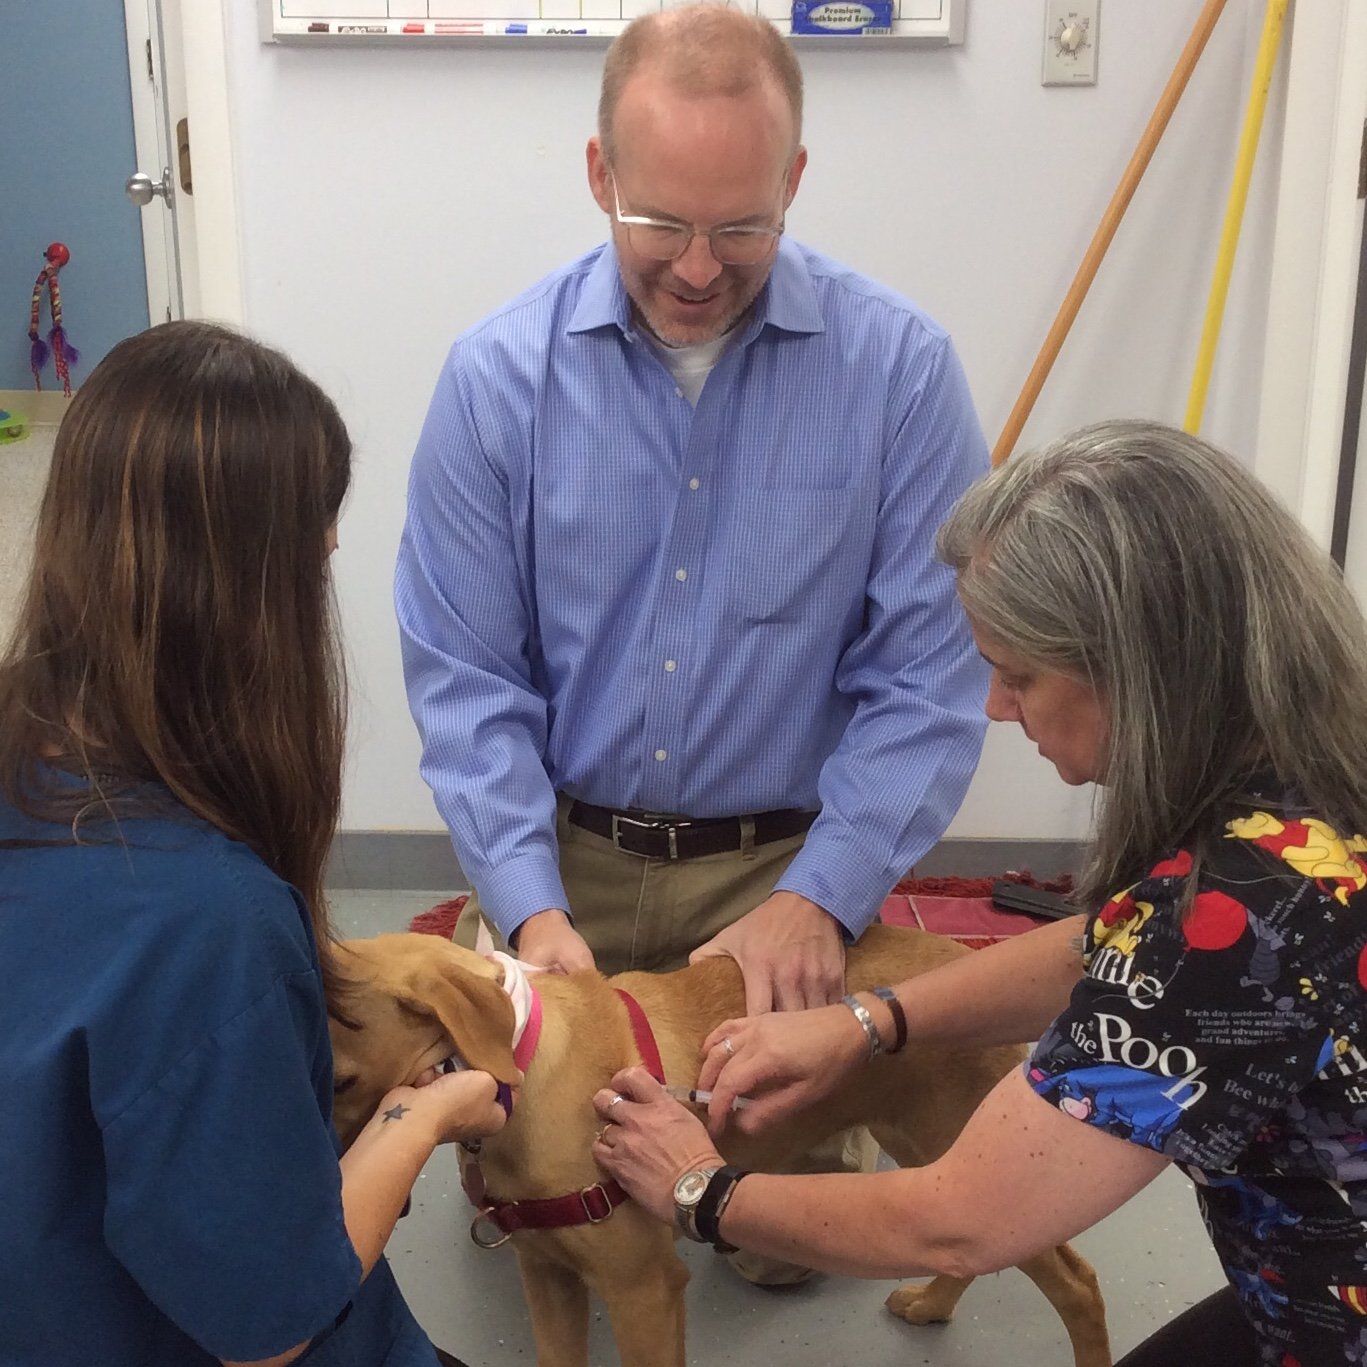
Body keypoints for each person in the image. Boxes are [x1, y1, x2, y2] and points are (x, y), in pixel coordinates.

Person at [590, 419, 1367, 1365]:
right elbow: (1112, 938)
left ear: (1145, 668)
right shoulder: (1304, 789)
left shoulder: (1245, 912)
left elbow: (957, 1224)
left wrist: (696, 1186)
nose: (996, 709)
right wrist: (864, 1022)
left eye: (1016, 675)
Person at [396, 2, 988, 1017]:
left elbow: (927, 680)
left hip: (781, 874)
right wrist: (531, 912)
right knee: (537, 1169)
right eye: (661, 224)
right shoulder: (496, 379)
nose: (699, 268)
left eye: (742, 226)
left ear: (792, 179)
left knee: (774, 1175)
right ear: (599, 175)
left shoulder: (900, 374)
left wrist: (821, 897)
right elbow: (467, 680)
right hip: (558, 860)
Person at [0, 322, 505, 1367]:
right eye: (316, 566)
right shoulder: (208, 919)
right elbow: (267, 1330)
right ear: (255, 598)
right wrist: (418, 1113)